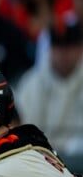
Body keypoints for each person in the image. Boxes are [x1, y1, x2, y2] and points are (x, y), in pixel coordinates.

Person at [16, 17, 83, 155]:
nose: (64, 54)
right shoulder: (31, 83)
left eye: (70, 47)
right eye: (59, 47)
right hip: (40, 161)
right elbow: (23, 132)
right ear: (50, 49)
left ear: (79, 49)